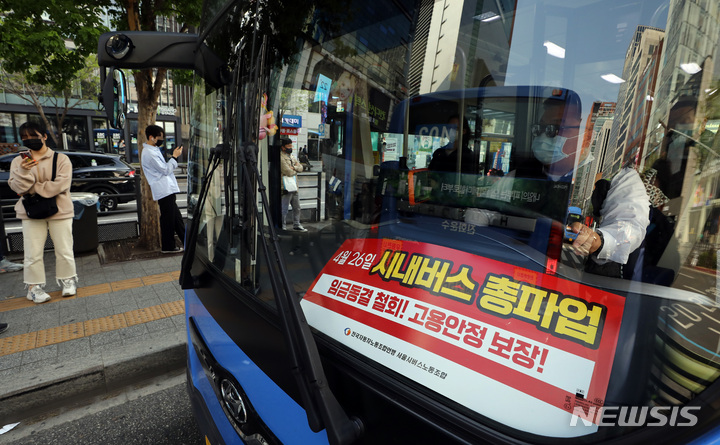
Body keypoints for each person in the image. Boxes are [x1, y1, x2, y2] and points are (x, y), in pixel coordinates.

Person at [531, 97, 650, 277]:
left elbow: (630, 227)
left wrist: (597, 240)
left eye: (554, 128)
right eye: (540, 129)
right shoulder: (527, 172)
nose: (543, 137)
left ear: (585, 133)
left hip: (581, 287)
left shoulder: (617, 177)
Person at [8, 121, 77, 303]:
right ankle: (33, 287)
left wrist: (33, 187)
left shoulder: (61, 159)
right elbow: (17, 187)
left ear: (44, 136)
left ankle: (68, 280)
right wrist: (23, 171)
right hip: (30, 211)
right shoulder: (18, 161)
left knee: (64, 249)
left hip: (60, 210)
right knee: (32, 252)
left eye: (33, 136)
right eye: (25, 138)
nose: (29, 140)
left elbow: (61, 185)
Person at [140, 125, 185, 253]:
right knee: (169, 219)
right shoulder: (149, 153)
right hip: (163, 190)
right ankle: (168, 246)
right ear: (151, 137)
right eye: (160, 138)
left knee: (176, 218)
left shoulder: (152, 149)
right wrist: (175, 157)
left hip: (167, 189)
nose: (162, 140)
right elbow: (165, 170)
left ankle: (186, 241)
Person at [279, 138, 307, 231]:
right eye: (288, 146)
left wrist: (294, 167)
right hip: (286, 187)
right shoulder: (281, 157)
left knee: (297, 207)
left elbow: (301, 168)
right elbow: (288, 171)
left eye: (291, 146)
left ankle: (297, 224)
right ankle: (282, 226)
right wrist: (295, 169)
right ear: (283, 147)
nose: (291, 148)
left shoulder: (292, 156)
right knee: (284, 209)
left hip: (295, 186)